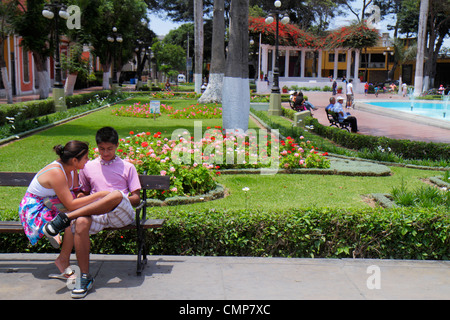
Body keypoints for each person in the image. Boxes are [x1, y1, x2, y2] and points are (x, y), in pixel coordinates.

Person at [52, 127, 142, 298]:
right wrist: (90, 200)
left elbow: (136, 197)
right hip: (97, 214)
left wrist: (117, 200)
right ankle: (85, 276)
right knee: (81, 222)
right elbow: (83, 193)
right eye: (102, 149)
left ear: (117, 146)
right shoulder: (89, 167)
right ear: (97, 147)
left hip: (120, 214)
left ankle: (67, 217)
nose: (106, 152)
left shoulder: (128, 167)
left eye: (110, 149)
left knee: (115, 194)